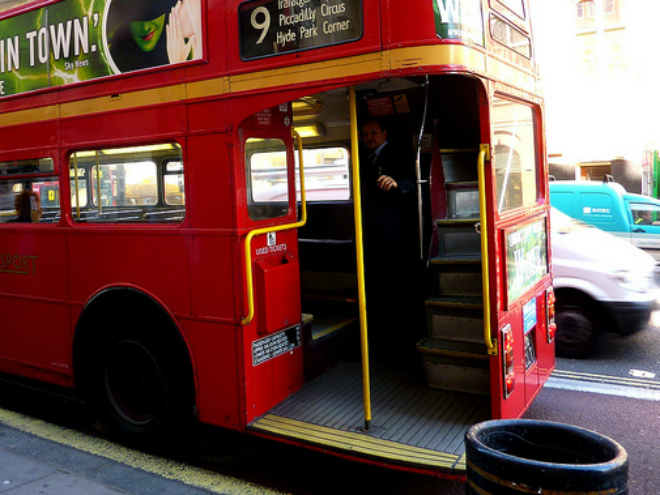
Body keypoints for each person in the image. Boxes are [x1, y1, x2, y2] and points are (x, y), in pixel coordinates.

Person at [359, 119, 423, 361]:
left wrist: (398, 184)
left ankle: (397, 347)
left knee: (395, 290)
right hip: (376, 234)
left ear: (384, 133)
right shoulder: (366, 158)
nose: (369, 137)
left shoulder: (399, 153)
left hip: (396, 234)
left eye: (373, 133)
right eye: (365, 134)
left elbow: (413, 182)